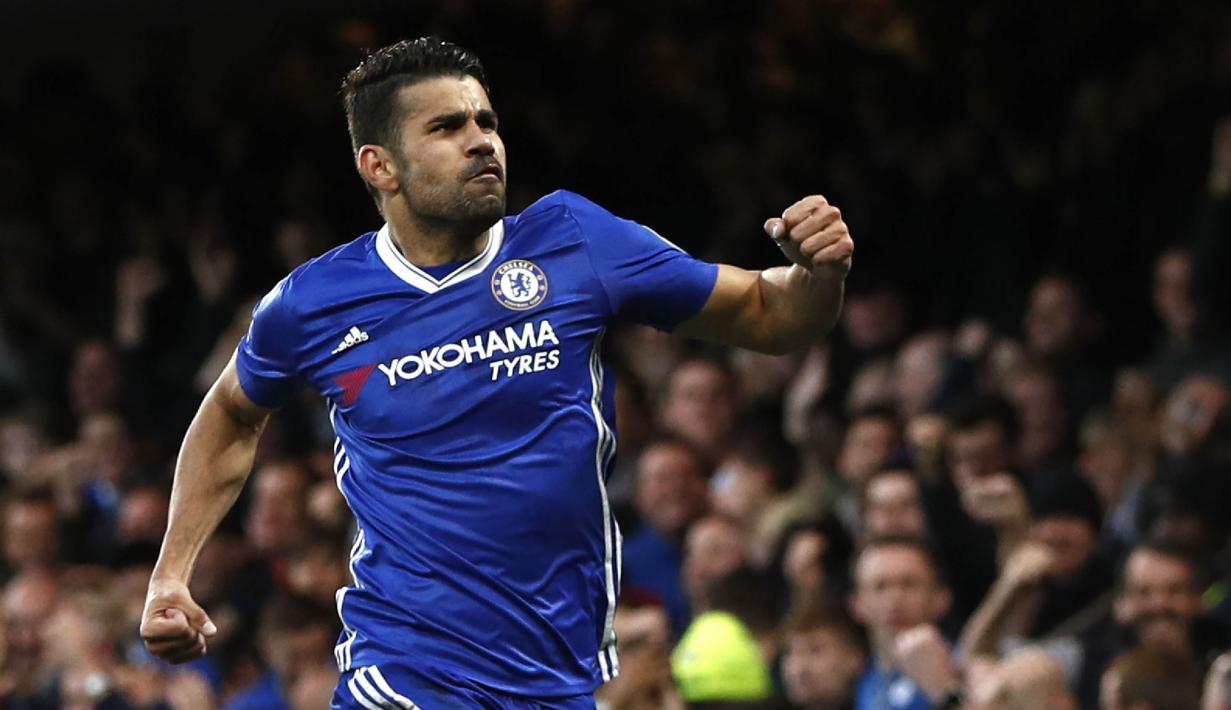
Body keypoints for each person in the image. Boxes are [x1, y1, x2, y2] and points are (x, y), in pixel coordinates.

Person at [139, 37, 856, 708]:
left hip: (559, 671)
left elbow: (768, 312)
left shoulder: (574, 239)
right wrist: (171, 572)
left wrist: (818, 274)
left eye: (486, 120)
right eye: (446, 127)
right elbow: (234, 411)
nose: (480, 140)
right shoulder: (314, 302)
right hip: (407, 665)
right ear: (378, 165)